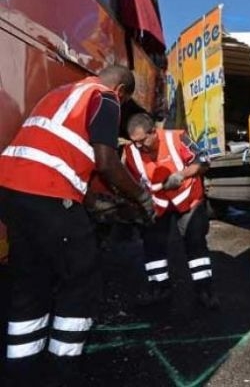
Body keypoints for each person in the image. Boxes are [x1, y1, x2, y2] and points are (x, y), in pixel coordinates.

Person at [0, 65, 155, 386]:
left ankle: (21, 373)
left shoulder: (59, 94)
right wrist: (141, 198)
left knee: (31, 284)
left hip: (11, 191)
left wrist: (97, 201)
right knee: (82, 277)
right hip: (46, 191)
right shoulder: (106, 98)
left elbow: (64, 154)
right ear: (123, 91)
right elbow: (106, 162)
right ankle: (63, 371)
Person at [123, 113, 219, 310]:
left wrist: (180, 175)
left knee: (195, 242)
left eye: (142, 141)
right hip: (157, 203)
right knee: (153, 244)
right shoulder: (131, 151)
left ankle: (204, 289)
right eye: (135, 142)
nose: (139, 146)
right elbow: (129, 180)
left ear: (154, 132)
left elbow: (203, 162)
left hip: (188, 199)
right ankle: (159, 288)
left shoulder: (176, 138)